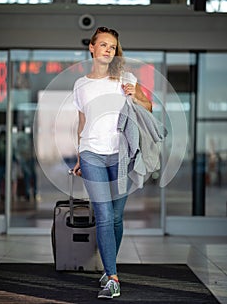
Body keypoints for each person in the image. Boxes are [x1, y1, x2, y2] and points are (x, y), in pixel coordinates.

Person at [72, 26, 152, 299]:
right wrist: (80, 155)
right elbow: (82, 122)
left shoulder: (126, 78)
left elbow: (149, 108)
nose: (108, 49)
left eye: (112, 46)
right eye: (103, 44)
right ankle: (113, 278)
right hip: (92, 153)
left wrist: (135, 95)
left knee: (116, 218)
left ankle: (108, 269)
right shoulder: (80, 84)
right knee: (105, 216)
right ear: (92, 48)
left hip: (121, 156)